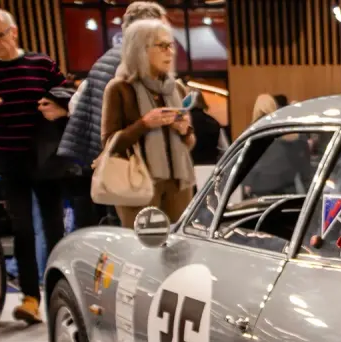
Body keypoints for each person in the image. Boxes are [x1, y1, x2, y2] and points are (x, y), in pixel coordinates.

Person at [0, 7, 67, 324]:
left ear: (13, 32)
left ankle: (60, 291)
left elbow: (67, 97)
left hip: (44, 155)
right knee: (22, 229)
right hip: (8, 157)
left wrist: (59, 109)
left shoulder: (41, 63)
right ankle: (30, 298)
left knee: (54, 227)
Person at [59, 2, 168, 229]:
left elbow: (78, 104)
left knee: (115, 223)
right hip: (125, 160)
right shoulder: (133, 64)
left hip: (101, 157)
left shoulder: (107, 57)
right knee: (137, 229)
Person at [101, 19, 196, 226]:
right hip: (137, 184)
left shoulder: (177, 89)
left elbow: (189, 143)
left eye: (171, 45)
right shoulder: (119, 88)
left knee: (178, 243)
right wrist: (144, 124)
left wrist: (185, 131)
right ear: (140, 50)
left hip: (179, 184)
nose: (170, 52)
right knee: (142, 243)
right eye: (162, 46)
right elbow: (109, 144)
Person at [187, 89, 227, 167]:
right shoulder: (214, 122)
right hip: (210, 167)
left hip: (189, 167)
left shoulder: (182, 123)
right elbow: (224, 149)